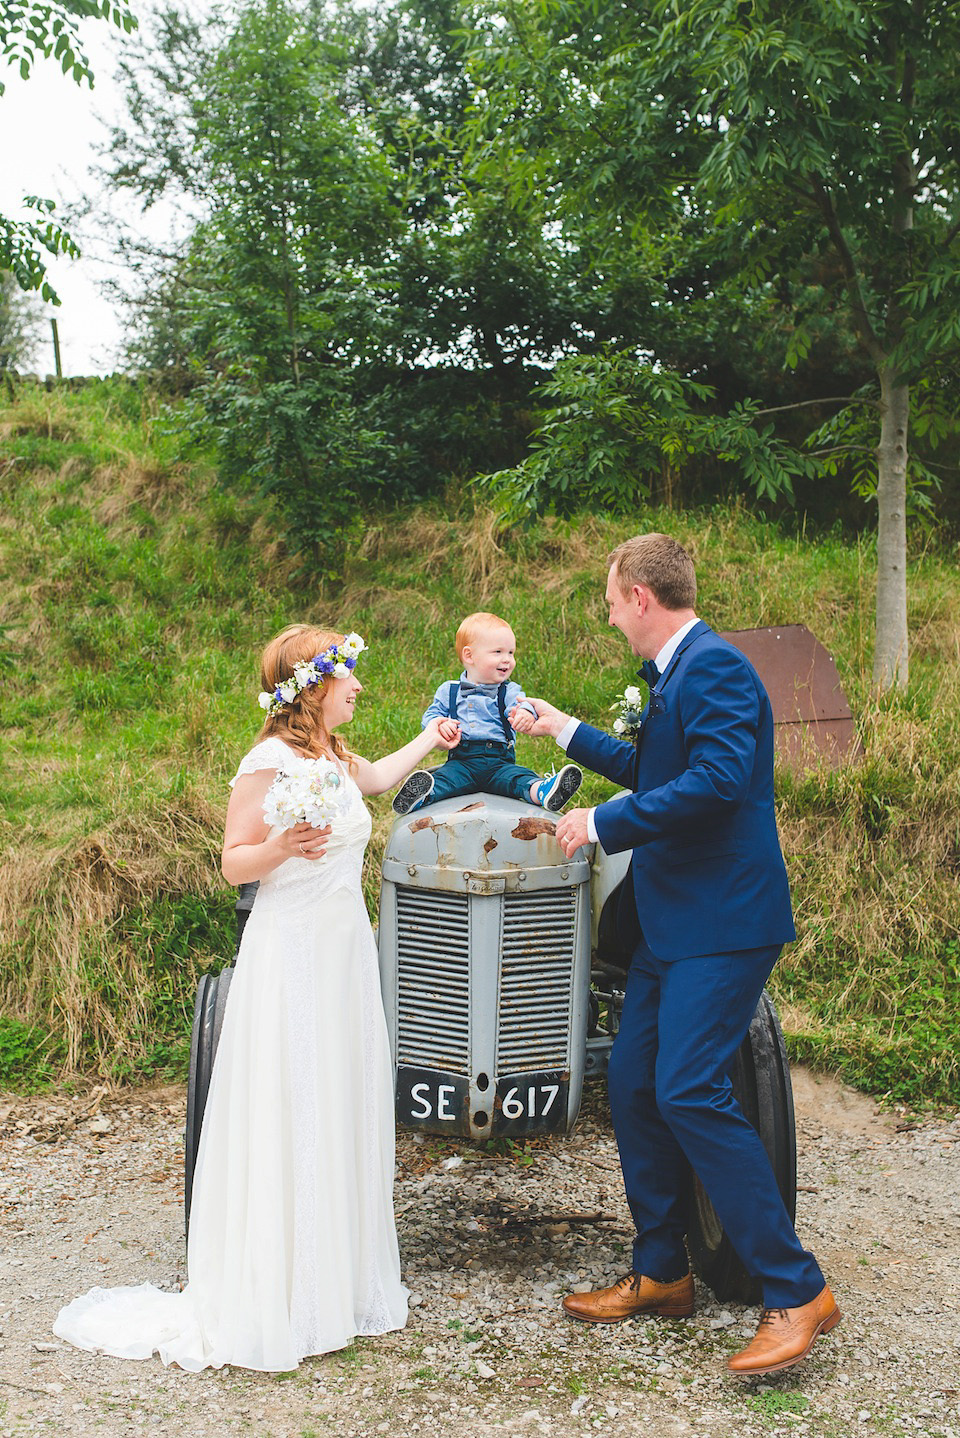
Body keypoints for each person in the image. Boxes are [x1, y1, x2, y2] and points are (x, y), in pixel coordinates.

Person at [54, 624, 460, 1372]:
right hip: (291, 952)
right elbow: (231, 861)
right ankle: (280, 1292)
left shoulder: (331, 756)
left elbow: (372, 781)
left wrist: (430, 740)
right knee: (291, 1100)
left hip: (341, 951)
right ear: (314, 686)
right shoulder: (268, 761)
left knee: (335, 1099)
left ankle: (332, 1284)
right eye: (349, 678)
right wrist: (281, 848)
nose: (359, 687)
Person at [520, 535, 840, 1377]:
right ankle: (663, 1269)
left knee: (689, 1088)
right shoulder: (680, 673)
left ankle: (795, 1287)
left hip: (724, 920)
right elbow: (655, 768)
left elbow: (721, 781)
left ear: (637, 595)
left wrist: (603, 823)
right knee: (631, 1083)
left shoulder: (718, 668)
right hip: (672, 925)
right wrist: (567, 731)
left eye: (610, 598)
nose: (608, 613)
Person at [391, 610, 582, 815]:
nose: (507, 659)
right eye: (498, 652)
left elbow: (522, 704)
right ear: (469, 655)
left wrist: (524, 714)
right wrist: (441, 723)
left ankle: (544, 791)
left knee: (518, 779)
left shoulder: (509, 690)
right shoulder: (449, 690)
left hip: (499, 763)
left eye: (511, 652)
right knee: (445, 781)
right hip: (461, 762)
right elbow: (430, 717)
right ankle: (420, 796)